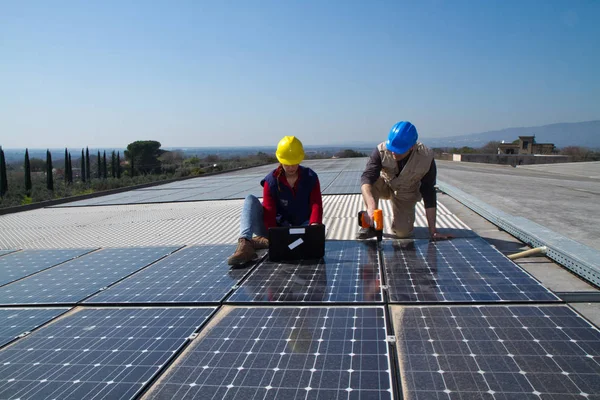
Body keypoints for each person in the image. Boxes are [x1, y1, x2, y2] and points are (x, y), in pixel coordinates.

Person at [227, 136, 323, 266]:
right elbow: (269, 210)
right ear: (280, 160)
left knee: (316, 238)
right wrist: (275, 236)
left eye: (294, 162)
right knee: (250, 199)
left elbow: (316, 203)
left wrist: (314, 226)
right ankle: (245, 244)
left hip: (302, 226)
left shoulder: (310, 177)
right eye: (287, 163)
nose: (291, 167)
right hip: (275, 228)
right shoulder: (271, 181)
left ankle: (263, 241)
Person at [358, 121, 451, 240]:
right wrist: (371, 207)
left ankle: (400, 222)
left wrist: (433, 231)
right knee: (370, 183)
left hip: (406, 193)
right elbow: (367, 177)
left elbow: (429, 192)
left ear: (412, 146)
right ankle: (369, 226)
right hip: (385, 185)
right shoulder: (381, 150)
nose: (393, 153)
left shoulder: (426, 158)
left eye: (398, 150)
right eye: (391, 148)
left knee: (403, 233)